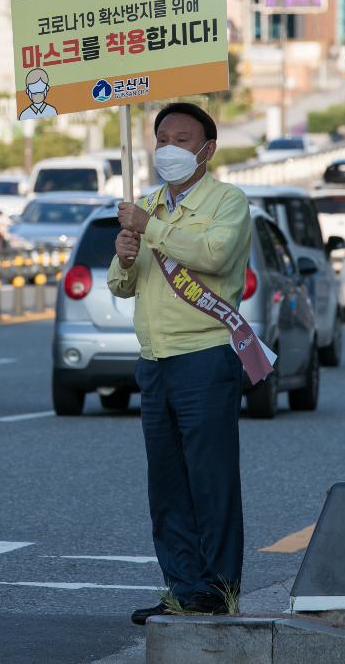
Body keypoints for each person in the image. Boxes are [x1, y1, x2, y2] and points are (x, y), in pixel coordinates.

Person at [108, 102, 253, 625]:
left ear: (207, 150)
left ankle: (217, 588)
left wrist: (150, 229)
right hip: (155, 361)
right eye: (162, 137)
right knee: (166, 484)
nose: (168, 148)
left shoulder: (227, 202)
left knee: (210, 479)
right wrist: (126, 255)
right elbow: (121, 285)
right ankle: (181, 587)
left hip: (206, 356)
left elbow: (213, 256)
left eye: (182, 139)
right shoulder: (144, 204)